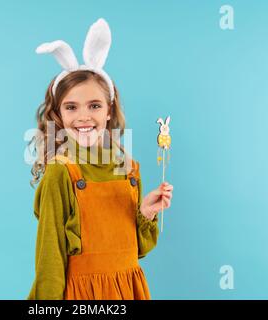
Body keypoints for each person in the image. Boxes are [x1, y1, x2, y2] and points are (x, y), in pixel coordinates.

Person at [27, 18, 173, 300]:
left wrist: (146, 213)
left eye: (94, 105)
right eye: (71, 107)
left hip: (128, 290)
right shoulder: (61, 172)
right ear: (59, 115)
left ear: (109, 110)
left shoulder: (128, 169)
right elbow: (50, 258)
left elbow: (137, 250)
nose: (83, 117)